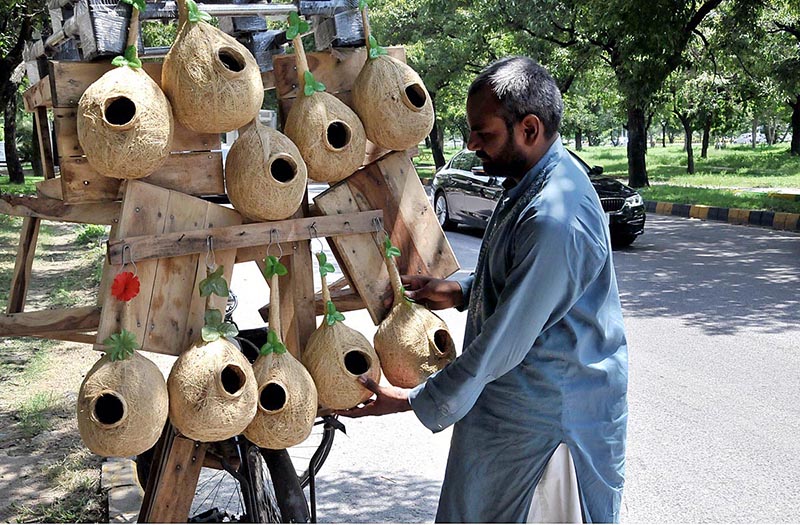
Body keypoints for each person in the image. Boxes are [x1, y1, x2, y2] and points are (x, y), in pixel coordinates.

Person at [339, 56, 628, 523]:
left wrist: (412, 400)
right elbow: (524, 284)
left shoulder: (557, 215)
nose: (471, 144)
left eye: (484, 134)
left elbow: (504, 341)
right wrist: (461, 292)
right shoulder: (531, 183)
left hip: (549, 421)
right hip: (513, 409)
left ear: (529, 129)